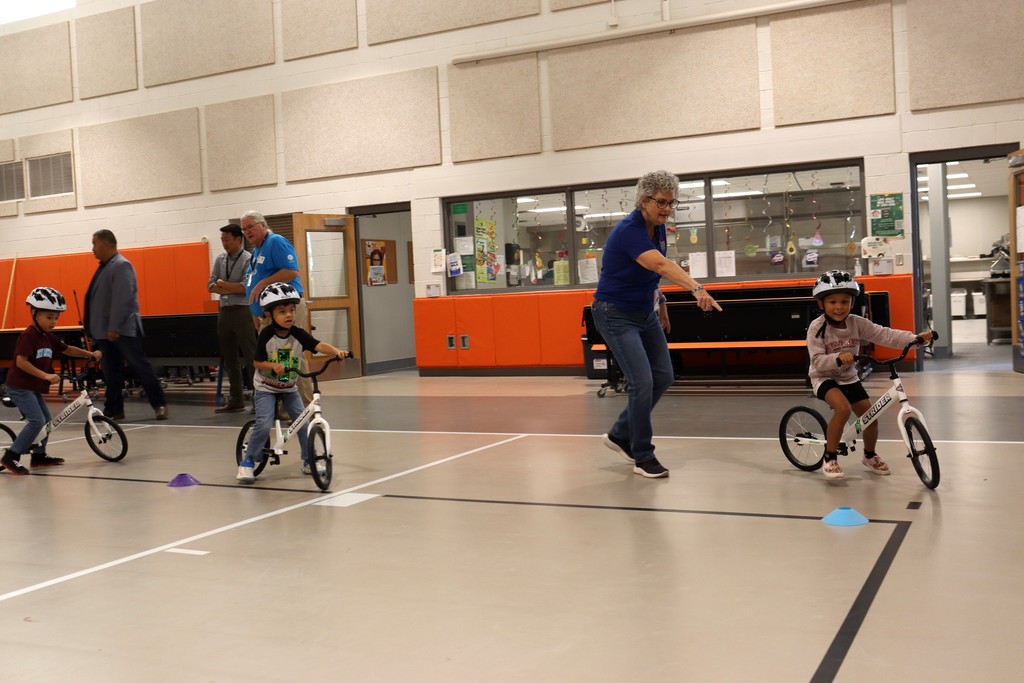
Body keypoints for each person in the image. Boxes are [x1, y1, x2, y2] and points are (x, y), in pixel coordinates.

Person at [592, 170, 721, 478]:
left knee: (663, 375)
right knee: (642, 382)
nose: (666, 208)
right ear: (643, 200)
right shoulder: (629, 231)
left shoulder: (658, 228)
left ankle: (620, 434)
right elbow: (661, 265)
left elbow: (648, 272)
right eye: (661, 202)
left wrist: (661, 302)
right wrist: (696, 288)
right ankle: (642, 455)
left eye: (670, 203)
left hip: (645, 312)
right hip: (615, 313)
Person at [808, 269, 934, 480]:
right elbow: (818, 361)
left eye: (844, 301)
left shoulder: (857, 323)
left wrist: (915, 339)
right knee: (842, 409)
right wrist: (838, 357)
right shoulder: (817, 328)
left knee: (870, 418)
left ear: (852, 303)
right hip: (824, 377)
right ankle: (830, 457)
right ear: (821, 304)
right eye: (832, 302)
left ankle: (869, 455)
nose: (839, 307)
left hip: (848, 377)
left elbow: (885, 334)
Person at [236, 283, 349, 484]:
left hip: (289, 388)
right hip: (266, 387)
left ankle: (309, 460)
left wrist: (337, 351)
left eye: (291, 310)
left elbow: (317, 345)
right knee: (263, 424)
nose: (288, 315)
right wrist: (273, 366)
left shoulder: (297, 333)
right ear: (270, 314)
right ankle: (247, 462)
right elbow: (256, 363)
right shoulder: (266, 335)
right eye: (282, 311)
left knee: (302, 423)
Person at [0, 287, 102, 475]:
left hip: (32, 387)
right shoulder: (29, 335)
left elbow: (67, 349)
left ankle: (38, 456)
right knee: (37, 420)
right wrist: (45, 375)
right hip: (19, 387)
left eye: (56, 317)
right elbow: (20, 362)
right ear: (33, 313)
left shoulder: (48, 337)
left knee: (47, 420)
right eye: (49, 317)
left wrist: (89, 354)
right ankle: (11, 457)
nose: (53, 322)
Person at [84, 229, 169, 421]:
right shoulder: (105, 267)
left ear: (106, 244)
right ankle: (114, 409)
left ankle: (160, 404)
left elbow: (124, 299)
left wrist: (114, 327)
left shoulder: (121, 265)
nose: (92, 249)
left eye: (94, 244)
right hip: (106, 332)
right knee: (111, 373)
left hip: (122, 330)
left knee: (140, 368)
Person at [240, 210, 313, 406]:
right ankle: (281, 406)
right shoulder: (256, 252)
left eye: (250, 227)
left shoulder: (275, 242)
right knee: (273, 360)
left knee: (292, 356)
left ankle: (305, 405)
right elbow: (251, 284)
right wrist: (255, 312)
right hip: (266, 314)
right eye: (244, 229)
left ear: (262, 225)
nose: (247, 232)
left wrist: (263, 283)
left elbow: (291, 271)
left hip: (285, 309)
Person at [208, 224, 255, 413]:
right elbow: (210, 285)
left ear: (238, 239)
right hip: (225, 311)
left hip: (243, 311)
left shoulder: (248, 259)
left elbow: (246, 287)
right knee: (230, 357)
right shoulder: (220, 259)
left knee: (251, 356)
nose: (224, 243)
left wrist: (223, 285)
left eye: (227, 239)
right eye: (222, 240)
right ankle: (236, 399)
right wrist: (227, 287)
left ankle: (258, 398)